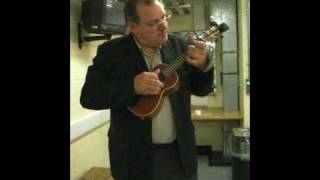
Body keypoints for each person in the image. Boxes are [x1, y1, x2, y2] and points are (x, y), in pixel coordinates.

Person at [80, 0, 213, 179]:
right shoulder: (111, 53)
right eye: (153, 23)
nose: (164, 26)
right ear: (132, 26)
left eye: (164, 17)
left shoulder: (180, 46)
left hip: (178, 153)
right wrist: (132, 86)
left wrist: (204, 65)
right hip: (132, 157)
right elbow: (89, 96)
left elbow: (202, 89)